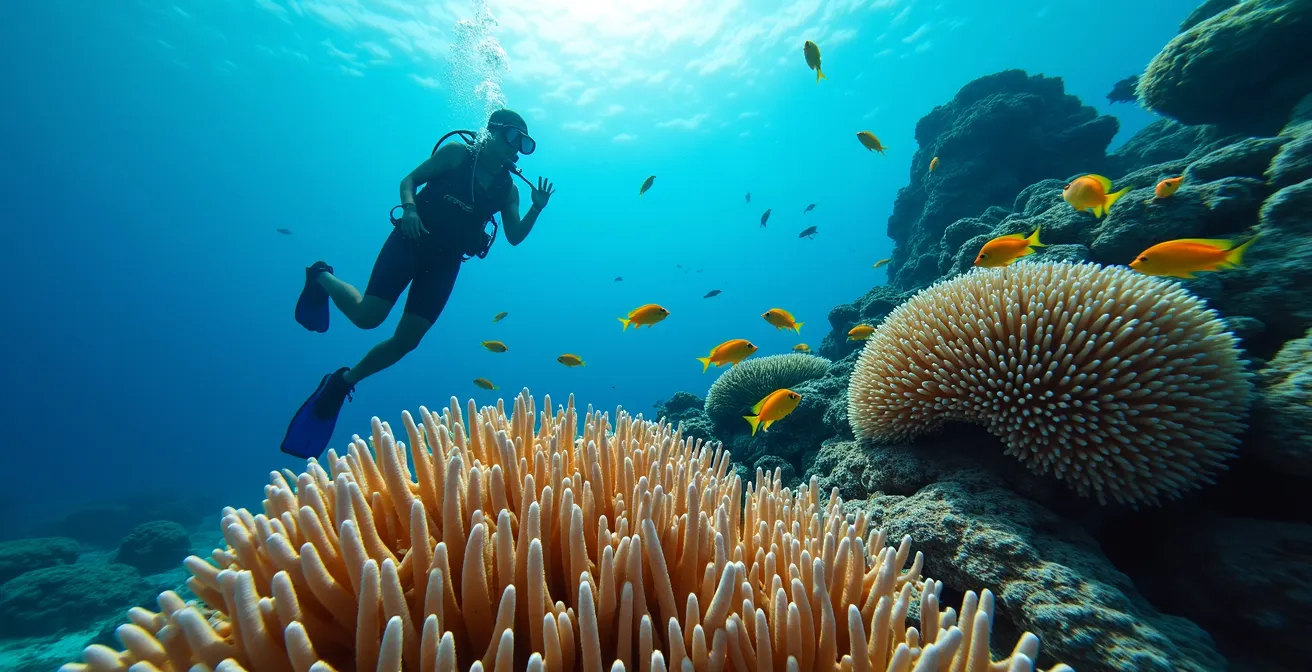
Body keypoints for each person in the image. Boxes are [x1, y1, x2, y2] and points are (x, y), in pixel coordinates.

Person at [281, 108, 555, 459]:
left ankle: (342, 383)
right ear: (492, 132)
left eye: (526, 143)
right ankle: (320, 275)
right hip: (411, 240)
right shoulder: (457, 154)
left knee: (407, 341)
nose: (518, 149)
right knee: (368, 317)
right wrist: (409, 209)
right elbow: (409, 180)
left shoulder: (508, 189)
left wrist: (537, 208)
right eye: (513, 138)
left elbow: (515, 236)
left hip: (446, 262)